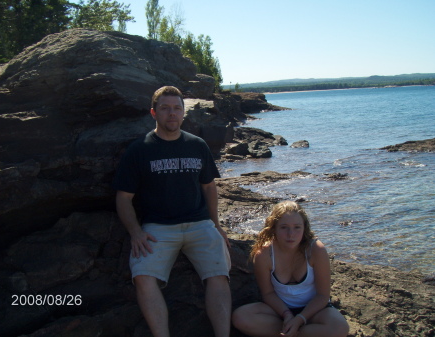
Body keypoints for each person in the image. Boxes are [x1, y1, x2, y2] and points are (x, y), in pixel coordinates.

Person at [113, 86, 232, 337]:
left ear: (183, 113)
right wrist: (135, 232)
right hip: (158, 228)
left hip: (199, 224)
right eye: (165, 108)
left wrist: (216, 225)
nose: (172, 114)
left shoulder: (197, 145)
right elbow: (124, 198)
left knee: (219, 274)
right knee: (143, 276)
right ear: (153, 113)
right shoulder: (139, 150)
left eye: (177, 108)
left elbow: (209, 187)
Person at [232, 201, 349, 337]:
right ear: (273, 228)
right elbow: (268, 294)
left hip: (314, 311)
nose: (291, 234)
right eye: (284, 227)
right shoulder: (264, 254)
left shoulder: (315, 250)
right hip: (279, 312)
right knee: (240, 317)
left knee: (340, 328)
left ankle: (288, 333)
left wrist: (300, 319)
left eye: (297, 227)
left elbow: (322, 296)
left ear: (304, 228)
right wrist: (287, 315)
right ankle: (296, 331)